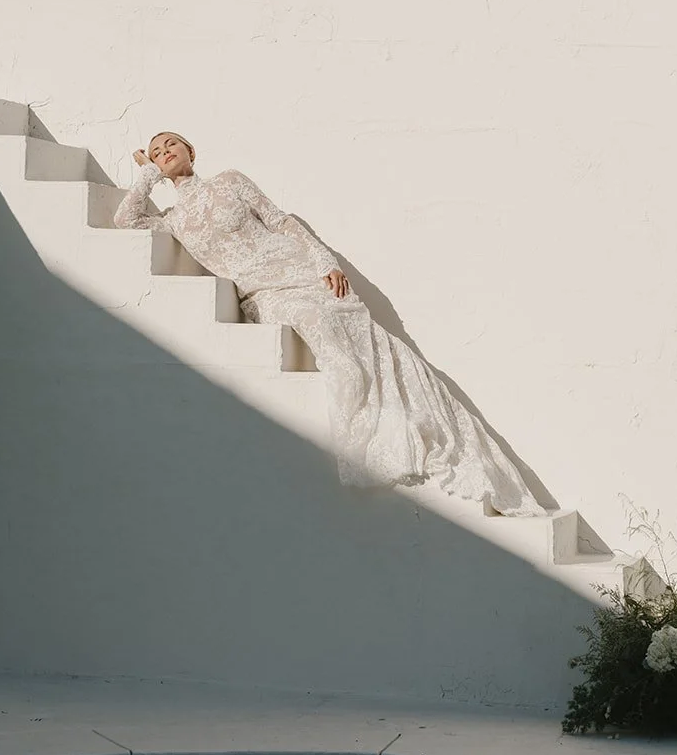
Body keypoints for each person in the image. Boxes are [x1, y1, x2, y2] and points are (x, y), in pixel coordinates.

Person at [113, 131, 543, 515]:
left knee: (371, 340)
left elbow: (281, 221)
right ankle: (382, 438)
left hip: (299, 270)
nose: (164, 151)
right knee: (332, 343)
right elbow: (125, 219)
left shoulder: (229, 180)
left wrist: (324, 261)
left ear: (191, 150)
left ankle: (424, 430)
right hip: (264, 294)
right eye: (155, 151)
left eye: (171, 144)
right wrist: (146, 177)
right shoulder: (172, 218)